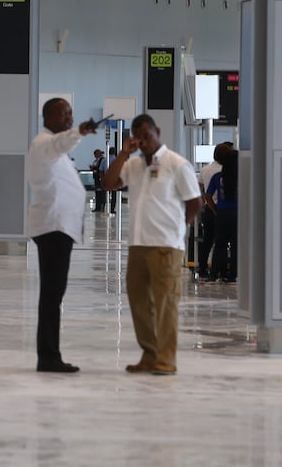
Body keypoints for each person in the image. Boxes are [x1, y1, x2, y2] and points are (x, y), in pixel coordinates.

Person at [102, 114, 201, 375]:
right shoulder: (133, 165)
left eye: (147, 135)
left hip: (166, 246)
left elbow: (195, 202)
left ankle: (166, 359)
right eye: (138, 137)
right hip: (138, 244)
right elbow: (108, 183)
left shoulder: (176, 164)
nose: (143, 142)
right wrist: (123, 154)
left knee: (166, 304)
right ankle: (150, 354)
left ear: (157, 132)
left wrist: (178, 229)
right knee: (139, 303)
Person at [27, 98, 99, 373]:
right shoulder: (45, 144)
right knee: (51, 295)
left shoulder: (51, 147)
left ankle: (50, 354)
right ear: (49, 116)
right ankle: (48, 356)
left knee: (53, 294)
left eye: (71, 112)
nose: (69, 116)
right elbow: (61, 144)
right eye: (64, 113)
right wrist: (79, 131)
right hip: (53, 227)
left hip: (59, 228)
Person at [205, 150, 238, 282]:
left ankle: (216, 273)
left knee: (219, 245)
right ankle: (233, 274)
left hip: (222, 214)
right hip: (237, 214)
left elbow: (208, 196)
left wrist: (215, 210)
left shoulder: (217, 176)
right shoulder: (242, 176)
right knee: (236, 245)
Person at [90, 149, 107, 213]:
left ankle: (101, 207)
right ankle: (98, 207)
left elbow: (100, 169)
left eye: (95, 154)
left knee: (102, 193)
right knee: (97, 193)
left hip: (100, 179)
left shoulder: (102, 160)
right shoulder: (96, 160)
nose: (94, 156)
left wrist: (94, 168)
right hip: (96, 178)